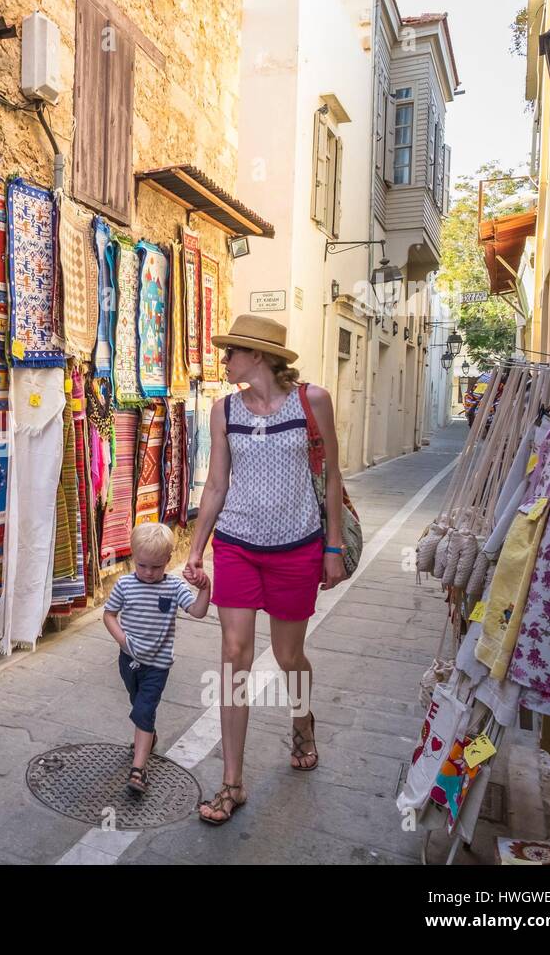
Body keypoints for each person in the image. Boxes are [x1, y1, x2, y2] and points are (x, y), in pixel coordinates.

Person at [184, 314, 349, 825]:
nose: (224, 359)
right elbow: (215, 484)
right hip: (237, 547)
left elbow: (333, 474)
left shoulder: (312, 402)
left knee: (288, 655)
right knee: (234, 654)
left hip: (297, 547)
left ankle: (303, 720)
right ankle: (232, 782)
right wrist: (195, 549)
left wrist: (334, 546)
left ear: (257, 356)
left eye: (231, 352)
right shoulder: (224, 410)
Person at [103, 522, 211, 795]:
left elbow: (197, 611)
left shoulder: (174, 587)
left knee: (144, 710)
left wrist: (205, 588)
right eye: (142, 566)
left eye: (156, 567)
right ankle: (148, 736)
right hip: (128, 661)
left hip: (157, 666)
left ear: (167, 560)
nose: (149, 573)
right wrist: (123, 640)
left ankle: (138, 770)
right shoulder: (125, 585)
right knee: (136, 701)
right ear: (133, 559)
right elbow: (109, 615)